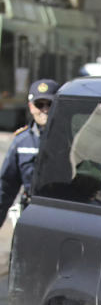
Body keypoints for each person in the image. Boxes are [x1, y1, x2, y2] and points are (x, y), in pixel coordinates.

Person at [0, 79, 59, 224]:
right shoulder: (22, 141)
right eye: (39, 105)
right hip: (31, 215)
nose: (44, 110)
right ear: (31, 107)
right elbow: (6, 186)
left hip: (62, 215)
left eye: (49, 104)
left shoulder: (71, 139)